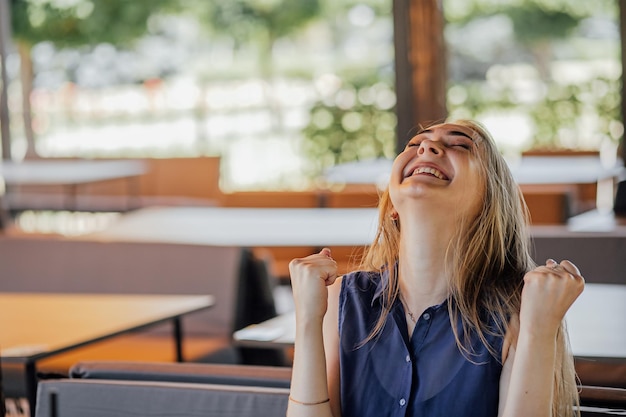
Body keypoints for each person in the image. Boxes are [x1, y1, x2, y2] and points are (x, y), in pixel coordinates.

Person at [287, 119, 585, 417]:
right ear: (392, 204)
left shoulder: (521, 314)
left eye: (460, 145)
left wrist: (540, 331)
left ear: (489, 201)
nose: (427, 147)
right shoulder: (339, 300)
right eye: (415, 145)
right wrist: (307, 320)